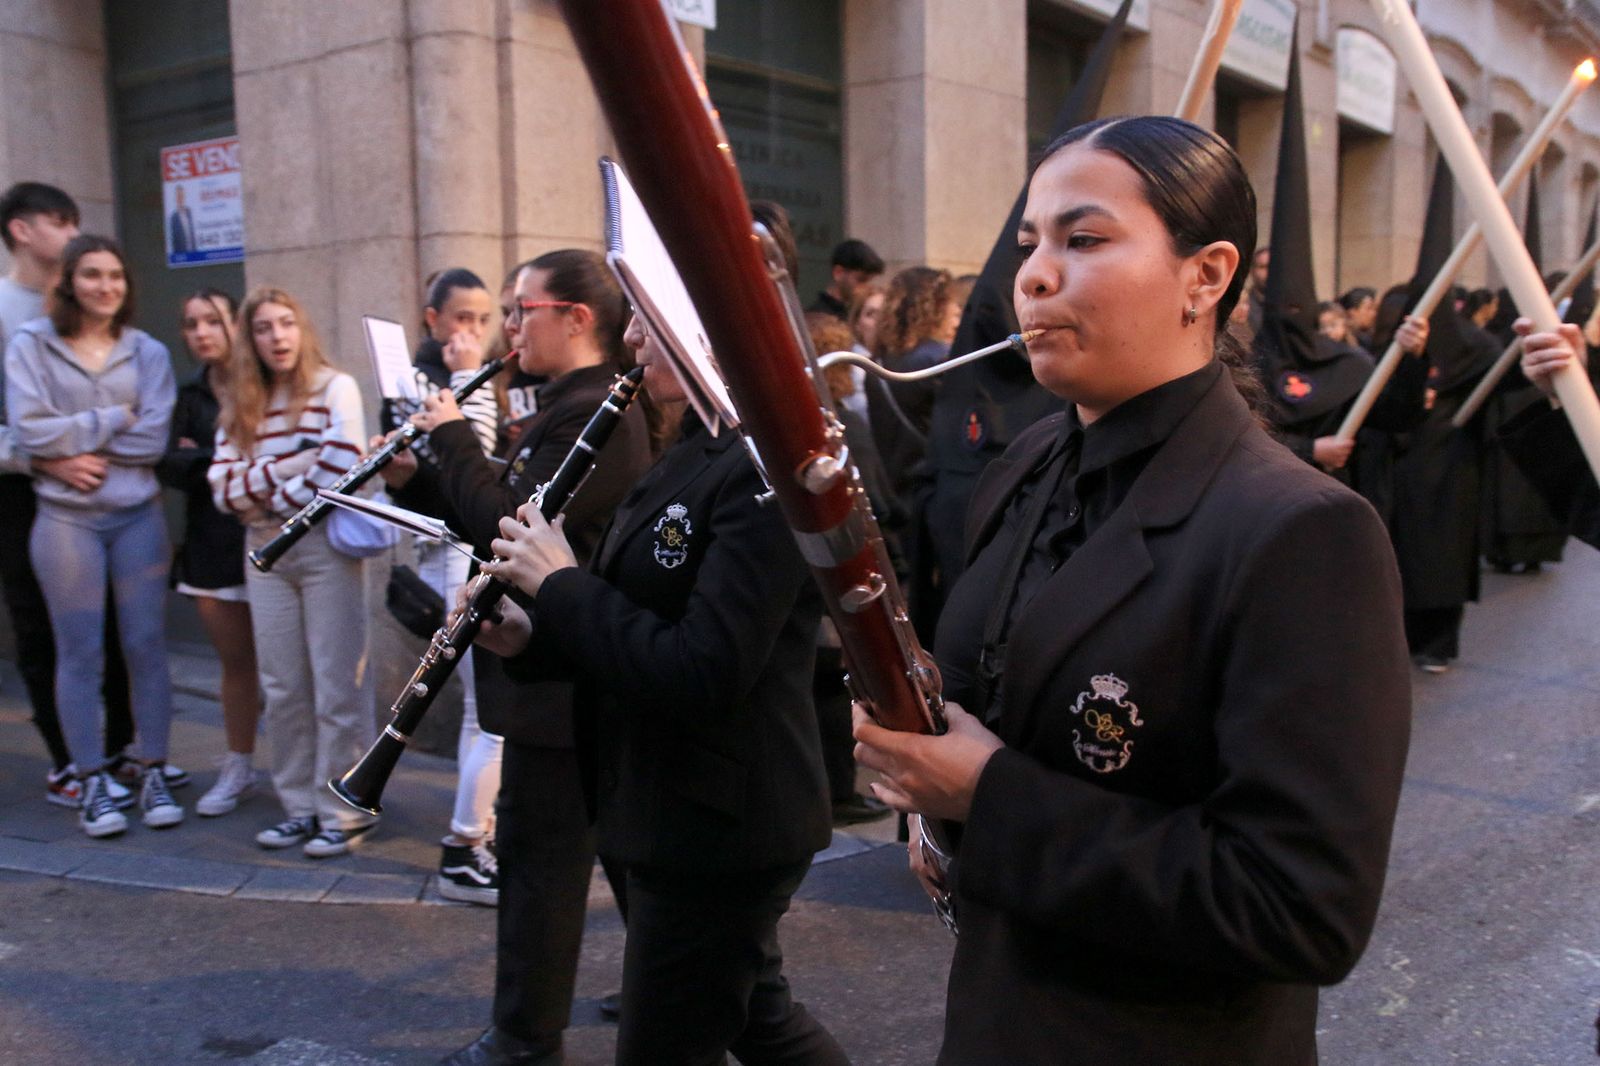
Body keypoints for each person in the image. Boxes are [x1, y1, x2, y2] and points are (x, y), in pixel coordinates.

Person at [852, 116, 1410, 1065]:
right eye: (1031, 243)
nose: (1032, 274)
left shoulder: (1303, 532)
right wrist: (927, 793)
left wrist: (989, 798)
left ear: (1207, 275)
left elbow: (1300, 909)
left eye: (1085, 238)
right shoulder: (1028, 463)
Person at [477, 308, 851, 1066]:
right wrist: (531, 633)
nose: (632, 340)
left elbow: (703, 667)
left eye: (647, 319)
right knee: (755, 1015)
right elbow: (641, 615)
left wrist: (560, 587)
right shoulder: (696, 443)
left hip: (722, 820)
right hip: (658, 799)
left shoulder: (766, 462)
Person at [392, 249, 652, 1065]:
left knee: (540, 872)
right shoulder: (563, 406)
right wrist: (415, 477)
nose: (509, 328)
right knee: (608, 858)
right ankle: (665, 987)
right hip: (548, 666)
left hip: (565, 672)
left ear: (575, 318)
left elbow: (510, 522)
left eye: (521, 309)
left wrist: (450, 441)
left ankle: (525, 1040)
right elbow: (486, 514)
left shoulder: (596, 412)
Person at [5, 234, 182, 838]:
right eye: (91, 275)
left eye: (116, 276)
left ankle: (153, 767)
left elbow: (152, 441)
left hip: (138, 515)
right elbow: (29, 433)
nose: (105, 286)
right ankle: (91, 779)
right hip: (64, 519)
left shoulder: (148, 353)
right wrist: (109, 420)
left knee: (145, 646)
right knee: (77, 651)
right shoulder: (32, 344)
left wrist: (70, 437)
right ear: (69, 282)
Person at [209, 286, 376, 858]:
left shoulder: (335, 387)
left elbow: (339, 470)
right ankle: (300, 808)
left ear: (302, 329)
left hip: (324, 547)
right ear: (248, 339)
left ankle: (343, 810)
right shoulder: (243, 401)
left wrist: (265, 487)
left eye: (286, 323)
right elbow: (221, 487)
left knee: (337, 683)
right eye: (263, 327)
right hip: (264, 554)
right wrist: (294, 465)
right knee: (282, 687)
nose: (277, 337)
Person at [0, 182, 144, 810]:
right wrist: (45, 460)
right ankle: (68, 763)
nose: (71, 231)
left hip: (99, 485)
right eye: (59, 220)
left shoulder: (90, 311)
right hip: (19, 493)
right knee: (42, 628)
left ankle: (114, 753)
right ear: (20, 230)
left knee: (111, 627)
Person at [381, 267, 504, 901]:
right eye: (462, 318)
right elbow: (471, 461)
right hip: (452, 556)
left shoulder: (467, 379)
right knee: (488, 716)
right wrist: (469, 379)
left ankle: (478, 833)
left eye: (484, 319)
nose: (474, 332)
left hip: (470, 549)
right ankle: (463, 845)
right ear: (432, 320)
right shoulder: (419, 384)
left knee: (485, 717)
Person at [159, 288, 262, 816]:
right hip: (211, 545)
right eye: (190, 323)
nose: (200, 332)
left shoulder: (267, 383)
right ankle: (239, 765)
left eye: (212, 321)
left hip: (271, 538)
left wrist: (202, 461)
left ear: (236, 325)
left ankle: (312, 774)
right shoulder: (190, 394)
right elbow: (168, 465)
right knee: (236, 664)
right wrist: (218, 464)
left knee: (295, 672)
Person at [808, 237, 884, 319]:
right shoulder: (817, 317)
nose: (867, 288)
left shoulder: (861, 313)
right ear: (838, 273)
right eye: (861, 280)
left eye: (870, 282)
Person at [1339, 285, 1378, 351]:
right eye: (1369, 308)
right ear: (1352, 312)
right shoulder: (1341, 339)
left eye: (1375, 309)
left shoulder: (1371, 336)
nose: (1374, 314)